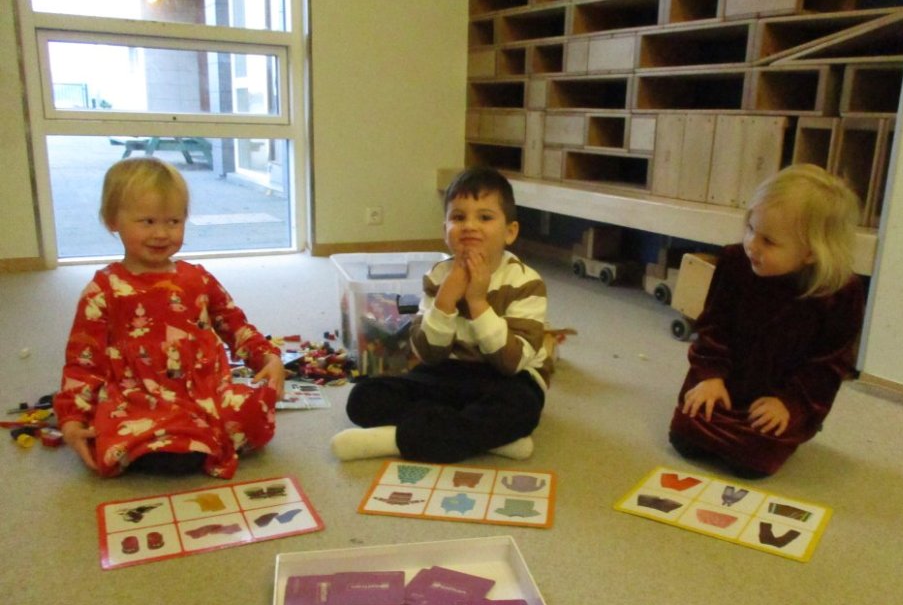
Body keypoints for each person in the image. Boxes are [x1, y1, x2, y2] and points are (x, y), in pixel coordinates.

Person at [54, 157, 285, 478]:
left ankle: (186, 441)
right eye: (147, 222)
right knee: (116, 430)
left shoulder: (198, 279)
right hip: (137, 397)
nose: (162, 233)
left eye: (174, 222)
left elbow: (235, 325)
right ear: (112, 220)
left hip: (205, 391)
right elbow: (83, 361)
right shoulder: (102, 290)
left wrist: (268, 358)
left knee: (252, 412)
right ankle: (180, 442)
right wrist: (72, 419)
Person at [331, 166, 552, 463]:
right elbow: (428, 354)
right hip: (447, 372)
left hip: (503, 379)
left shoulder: (527, 282)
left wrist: (477, 302)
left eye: (485, 217)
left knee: (519, 406)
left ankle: (395, 440)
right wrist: (446, 299)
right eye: (458, 217)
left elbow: (511, 362)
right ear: (444, 230)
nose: (470, 226)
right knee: (364, 396)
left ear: (510, 232)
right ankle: (486, 439)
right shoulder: (438, 275)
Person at [668, 163, 865, 478]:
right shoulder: (735, 261)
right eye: (750, 228)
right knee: (686, 435)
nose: (751, 244)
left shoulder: (839, 293)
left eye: (769, 241)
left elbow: (829, 364)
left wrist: (790, 404)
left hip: (780, 396)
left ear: (811, 253)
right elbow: (713, 326)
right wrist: (710, 376)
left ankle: (771, 426)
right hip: (725, 379)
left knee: (751, 461)